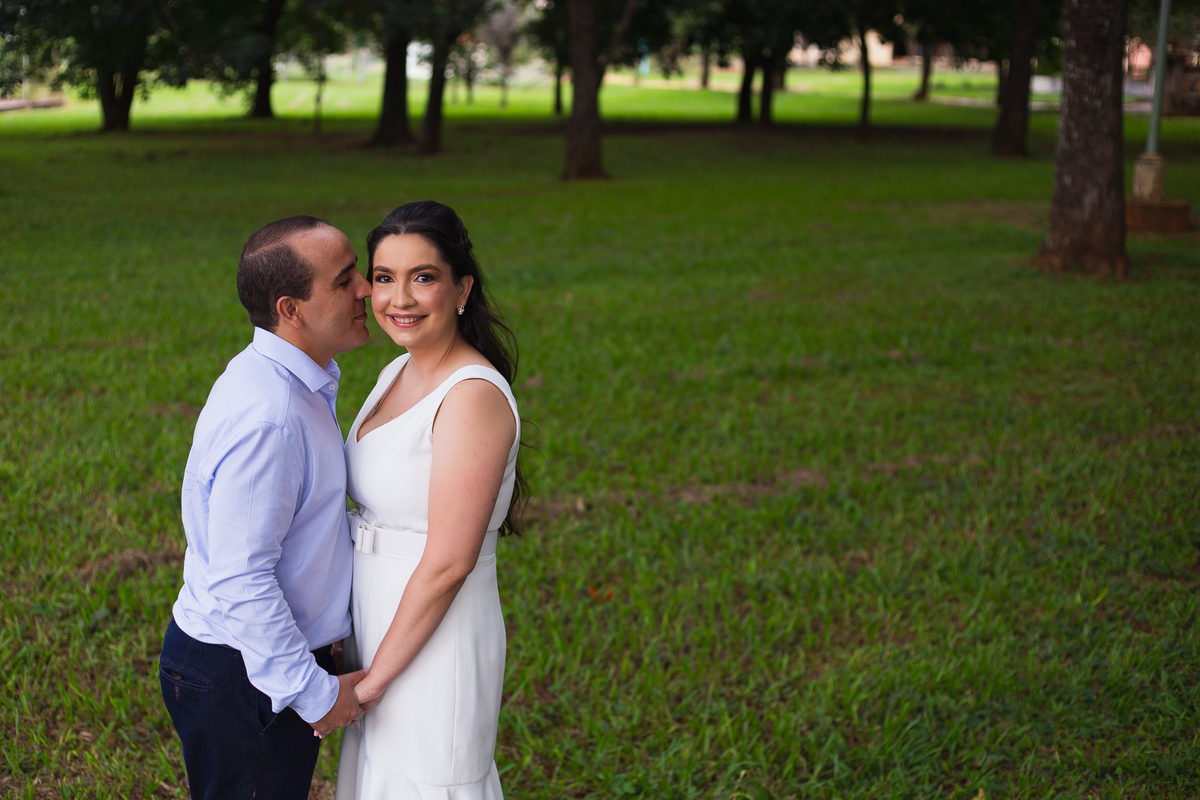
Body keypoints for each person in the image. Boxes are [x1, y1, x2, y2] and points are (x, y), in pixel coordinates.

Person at [160, 216, 375, 799]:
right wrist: (314, 693)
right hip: (243, 673)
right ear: (292, 309)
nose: (367, 289)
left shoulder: (293, 380)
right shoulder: (271, 417)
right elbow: (241, 577)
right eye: (345, 279)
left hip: (254, 664)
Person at [336, 201, 525, 799]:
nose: (400, 299)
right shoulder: (396, 371)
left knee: (425, 781)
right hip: (376, 624)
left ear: (462, 287)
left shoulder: (470, 395)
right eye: (385, 278)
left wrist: (370, 684)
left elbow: (447, 564)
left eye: (424, 277)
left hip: (434, 640)